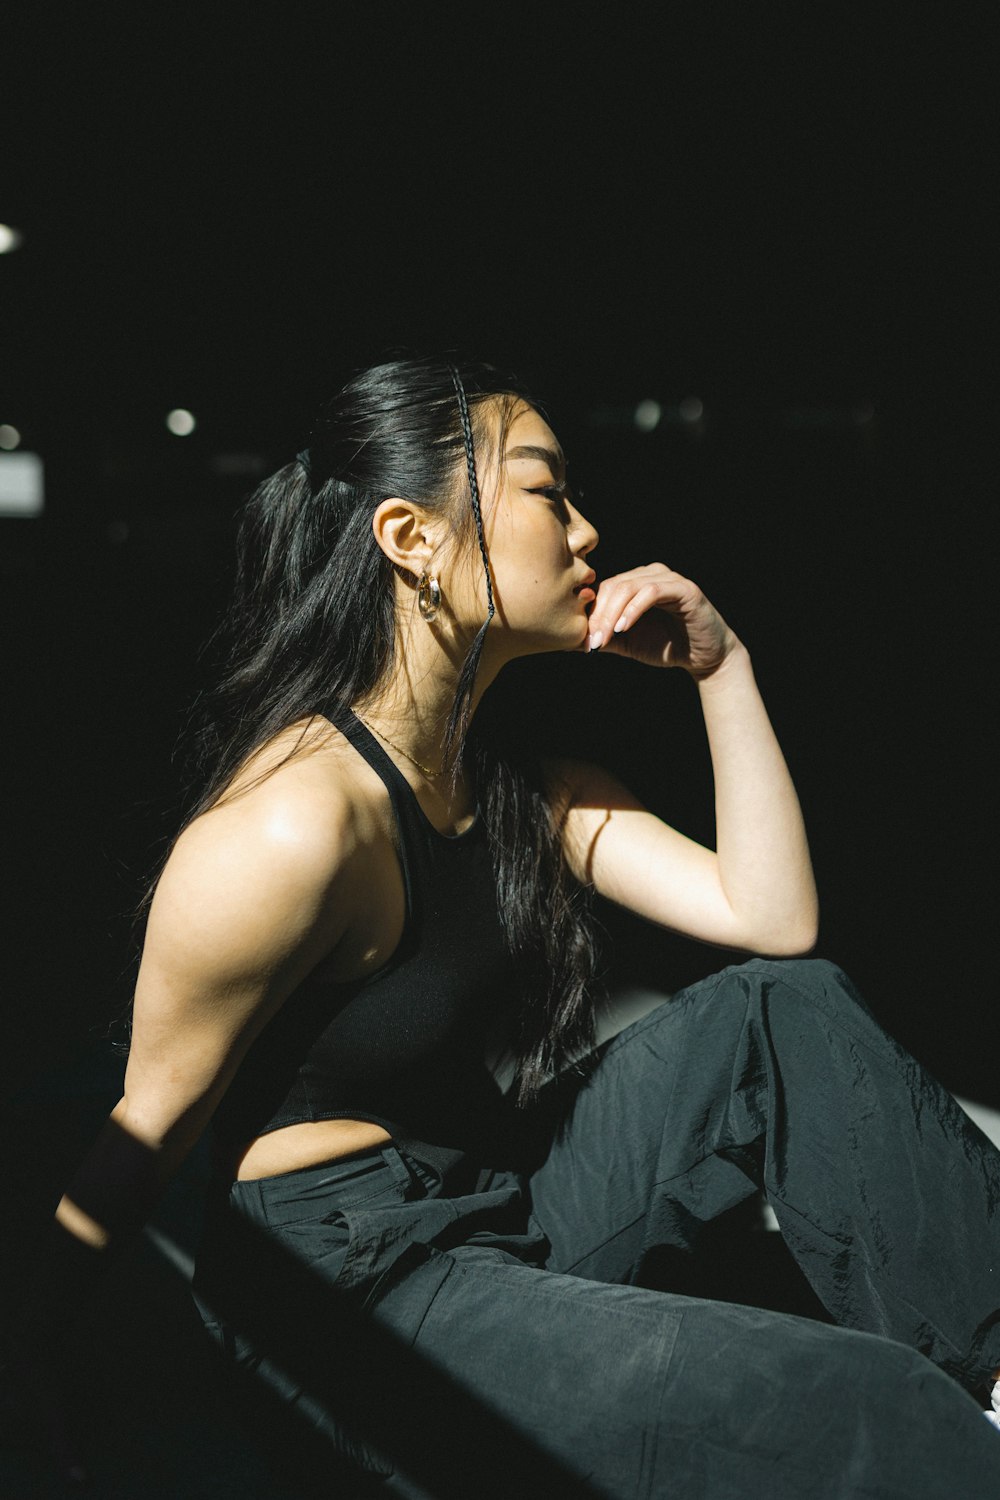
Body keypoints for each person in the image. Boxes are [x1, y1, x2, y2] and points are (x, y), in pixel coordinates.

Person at [4, 354, 999, 1498]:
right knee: (859, 1401)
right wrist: (29, 1359)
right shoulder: (293, 829)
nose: (586, 532)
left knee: (787, 1008)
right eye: (545, 491)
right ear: (408, 537)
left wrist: (723, 668)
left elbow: (770, 923)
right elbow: (149, 1128)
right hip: (345, 1295)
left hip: (500, 1193)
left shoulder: (528, 788)